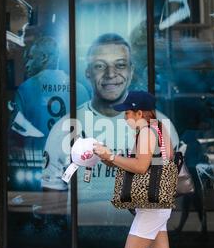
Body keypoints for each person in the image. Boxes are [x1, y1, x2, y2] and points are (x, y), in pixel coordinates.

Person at [41, 33, 179, 199]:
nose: (110, 74)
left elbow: (173, 192)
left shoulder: (160, 124)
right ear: (87, 72)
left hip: (143, 224)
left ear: (131, 70)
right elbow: (52, 203)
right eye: (100, 66)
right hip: (85, 224)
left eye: (120, 65)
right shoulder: (64, 128)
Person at [93, 91, 180, 248]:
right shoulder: (159, 128)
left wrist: (112, 157)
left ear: (139, 113)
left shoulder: (147, 133)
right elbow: (157, 163)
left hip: (151, 206)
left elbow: (141, 167)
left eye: (127, 114)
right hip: (158, 203)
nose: (125, 118)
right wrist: (109, 158)